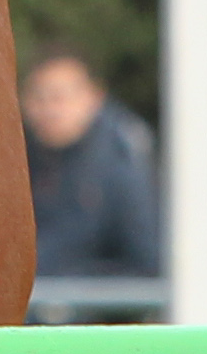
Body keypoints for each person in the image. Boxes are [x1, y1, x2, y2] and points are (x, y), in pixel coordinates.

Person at [20, 48, 160, 280]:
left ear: (94, 98)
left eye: (60, 97)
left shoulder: (123, 168)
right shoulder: (19, 166)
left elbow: (148, 263)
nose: (49, 110)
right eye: (38, 97)